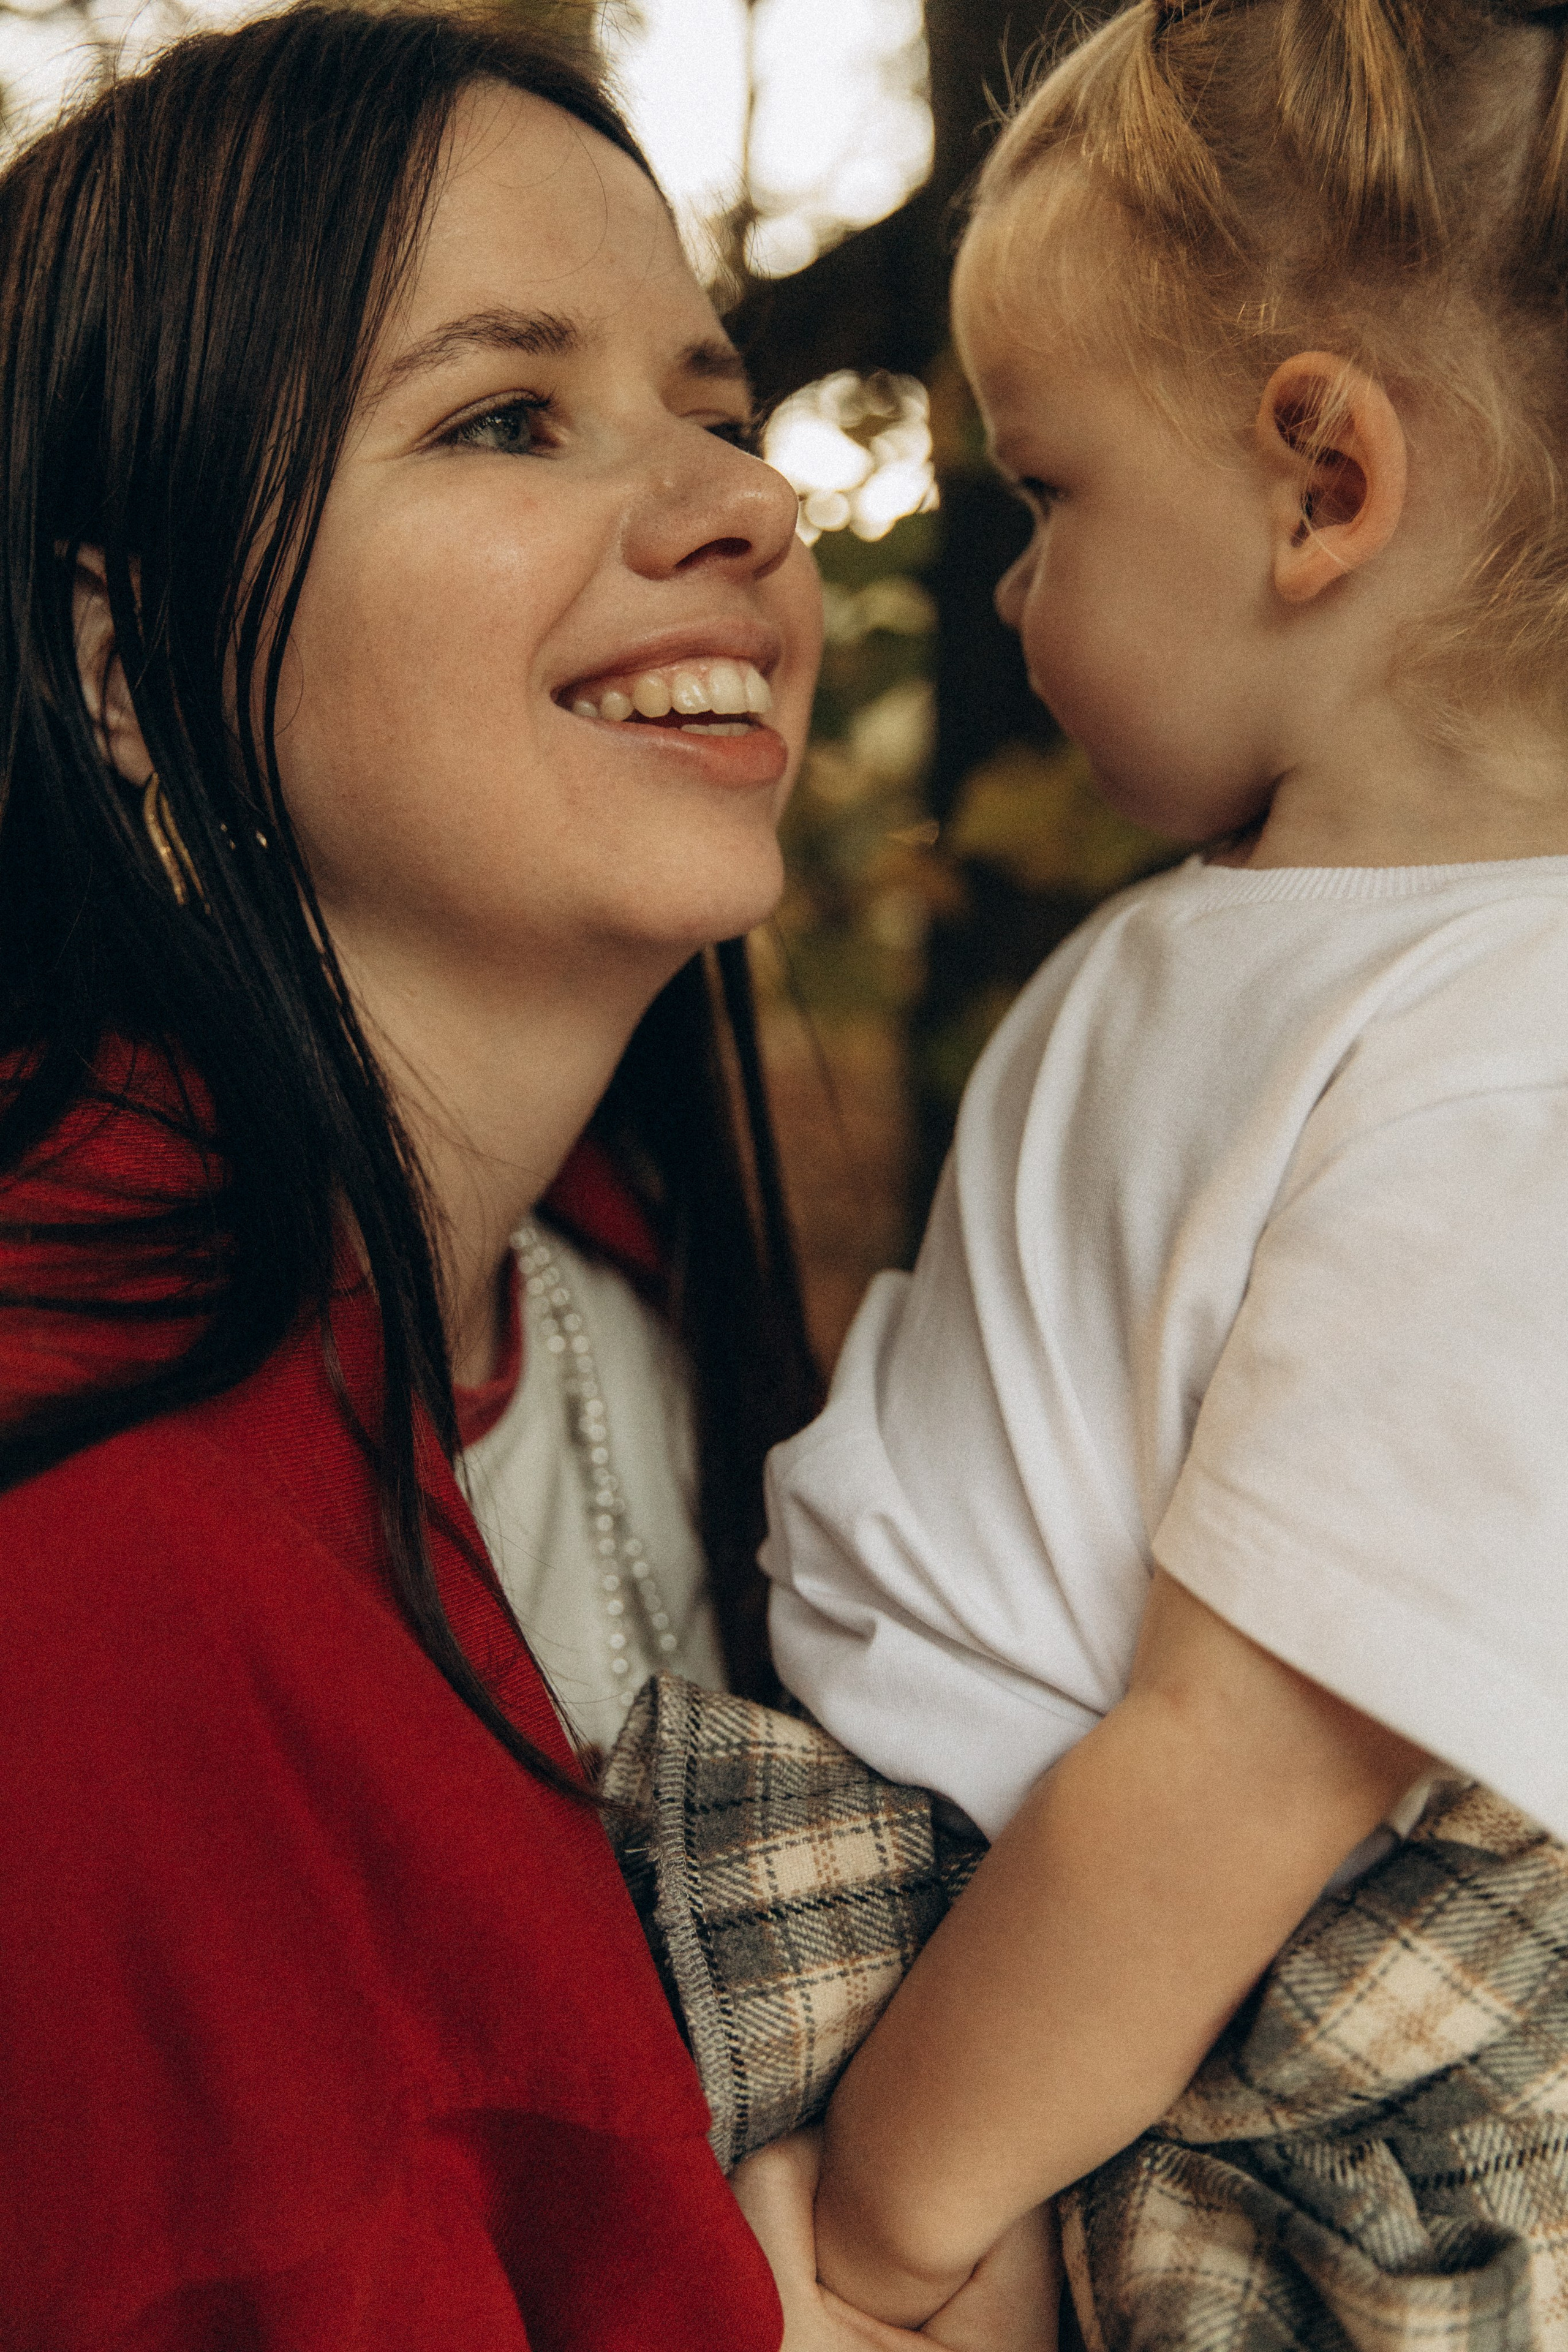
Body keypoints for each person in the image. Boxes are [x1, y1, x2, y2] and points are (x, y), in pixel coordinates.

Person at [0, 8, 841, 2344]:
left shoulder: (637, 1303)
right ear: (125, 662)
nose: (744, 510)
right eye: (504, 414)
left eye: (717, 408)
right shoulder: (73, 1563)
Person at [753, 0, 1568, 2341]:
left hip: (1101, 2047)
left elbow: (1241, 1765)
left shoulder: (1503, 1063)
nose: (1009, 594)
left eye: (1050, 496)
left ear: (1323, 482)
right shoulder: (1253, 941)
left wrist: (899, 2221)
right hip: (998, 1952)